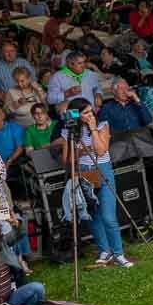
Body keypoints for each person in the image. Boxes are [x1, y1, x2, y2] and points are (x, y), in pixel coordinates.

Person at [65, 97, 135, 266]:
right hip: (83, 173)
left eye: (91, 111)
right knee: (92, 215)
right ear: (76, 115)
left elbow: (101, 149)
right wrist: (79, 151)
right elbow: (67, 160)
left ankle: (118, 254)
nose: (90, 114)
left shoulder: (102, 124)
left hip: (102, 169)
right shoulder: (70, 131)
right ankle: (105, 250)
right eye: (86, 112)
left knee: (108, 216)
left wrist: (92, 129)